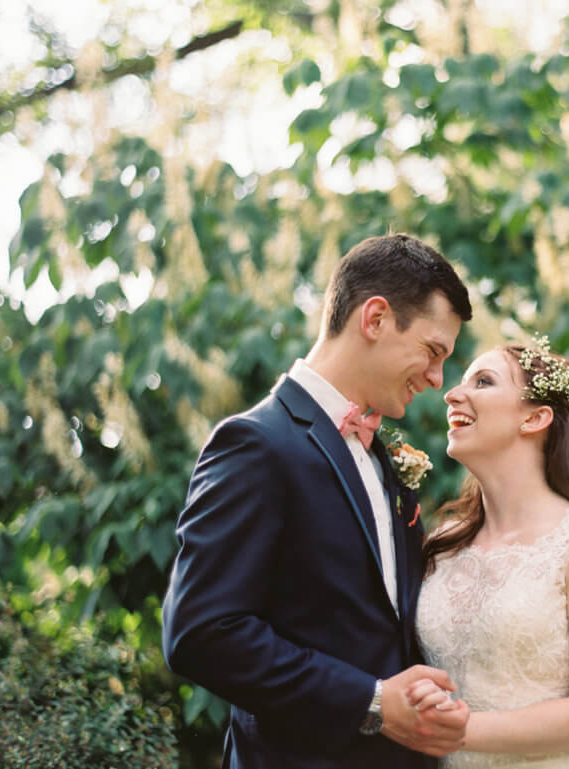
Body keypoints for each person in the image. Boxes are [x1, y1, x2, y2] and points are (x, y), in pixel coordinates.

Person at [162, 233, 473, 769]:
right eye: (432, 350)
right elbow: (201, 631)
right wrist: (372, 702)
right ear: (374, 319)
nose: (436, 378)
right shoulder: (256, 444)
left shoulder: (383, 458)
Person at [411, 339, 569, 768]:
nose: (453, 395)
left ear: (535, 418)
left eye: (484, 381)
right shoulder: (441, 545)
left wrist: (452, 730)